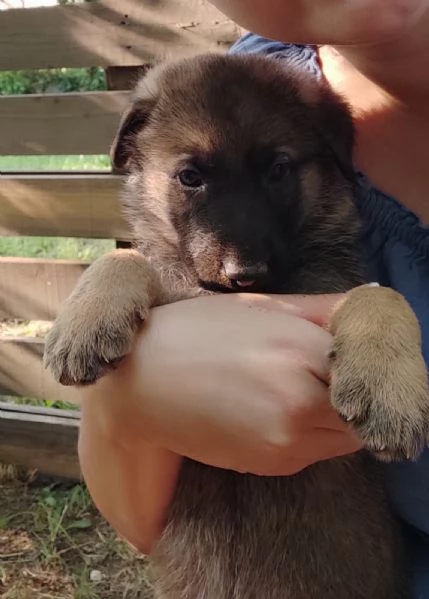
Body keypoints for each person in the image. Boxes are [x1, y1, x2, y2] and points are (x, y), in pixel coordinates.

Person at [77, 1, 429, 595]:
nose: (239, 262)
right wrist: (122, 405)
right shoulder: (236, 76)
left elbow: (346, 301)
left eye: (276, 172)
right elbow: (140, 521)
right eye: (192, 177)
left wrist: (376, 316)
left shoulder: (292, 108)